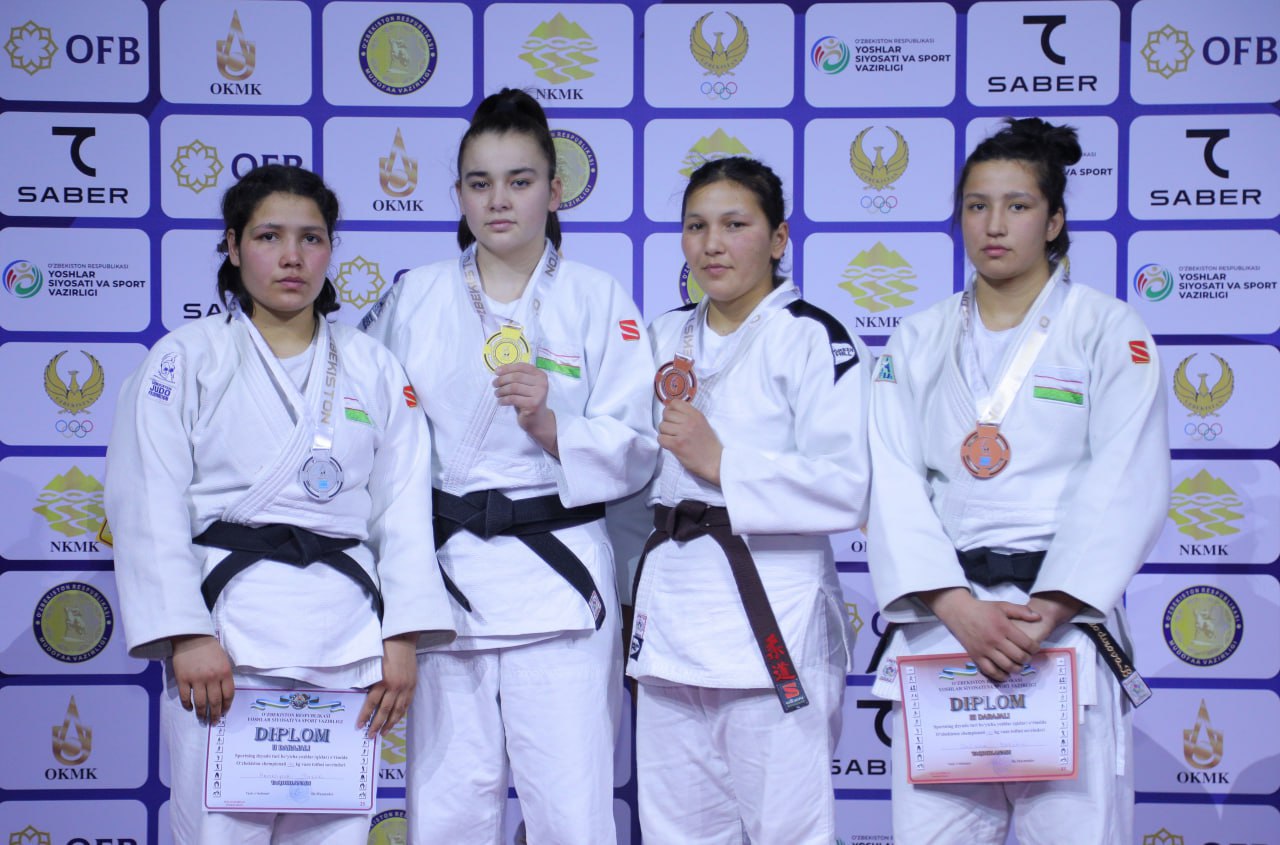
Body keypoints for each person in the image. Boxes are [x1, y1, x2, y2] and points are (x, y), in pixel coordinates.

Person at [104, 165, 455, 844]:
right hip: (228, 639)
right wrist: (187, 633)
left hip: (347, 639)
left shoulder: (373, 366)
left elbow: (403, 511)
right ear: (234, 246)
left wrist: (402, 637)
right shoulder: (186, 358)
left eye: (311, 238)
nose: (292, 257)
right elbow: (146, 502)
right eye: (269, 236)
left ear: (330, 250)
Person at [360, 88, 657, 844]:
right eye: (480, 183)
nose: (499, 201)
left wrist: (555, 427)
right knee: (447, 812)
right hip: (445, 586)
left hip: (560, 586)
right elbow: (373, 438)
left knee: (572, 812)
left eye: (520, 181)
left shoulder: (597, 298)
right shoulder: (413, 296)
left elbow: (637, 442)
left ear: (554, 191)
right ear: (459, 194)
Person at [866, 118, 1169, 844]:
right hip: (945, 633)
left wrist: (1051, 606)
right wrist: (955, 605)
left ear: (1055, 220)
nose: (993, 225)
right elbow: (891, 479)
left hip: (1060, 634)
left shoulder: (1107, 330)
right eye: (976, 205)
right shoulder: (918, 337)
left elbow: (1126, 478)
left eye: (1018, 205)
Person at [624, 156, 872, 844]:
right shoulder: (662, 335)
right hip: (673, 618)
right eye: (696, 226)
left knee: (788, 831)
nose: (713, 244)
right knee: (676, 833)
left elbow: (846, 486)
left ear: (778, 237)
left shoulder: (815, 337)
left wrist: (723, 463)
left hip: (772, 614)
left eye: (735, 225)